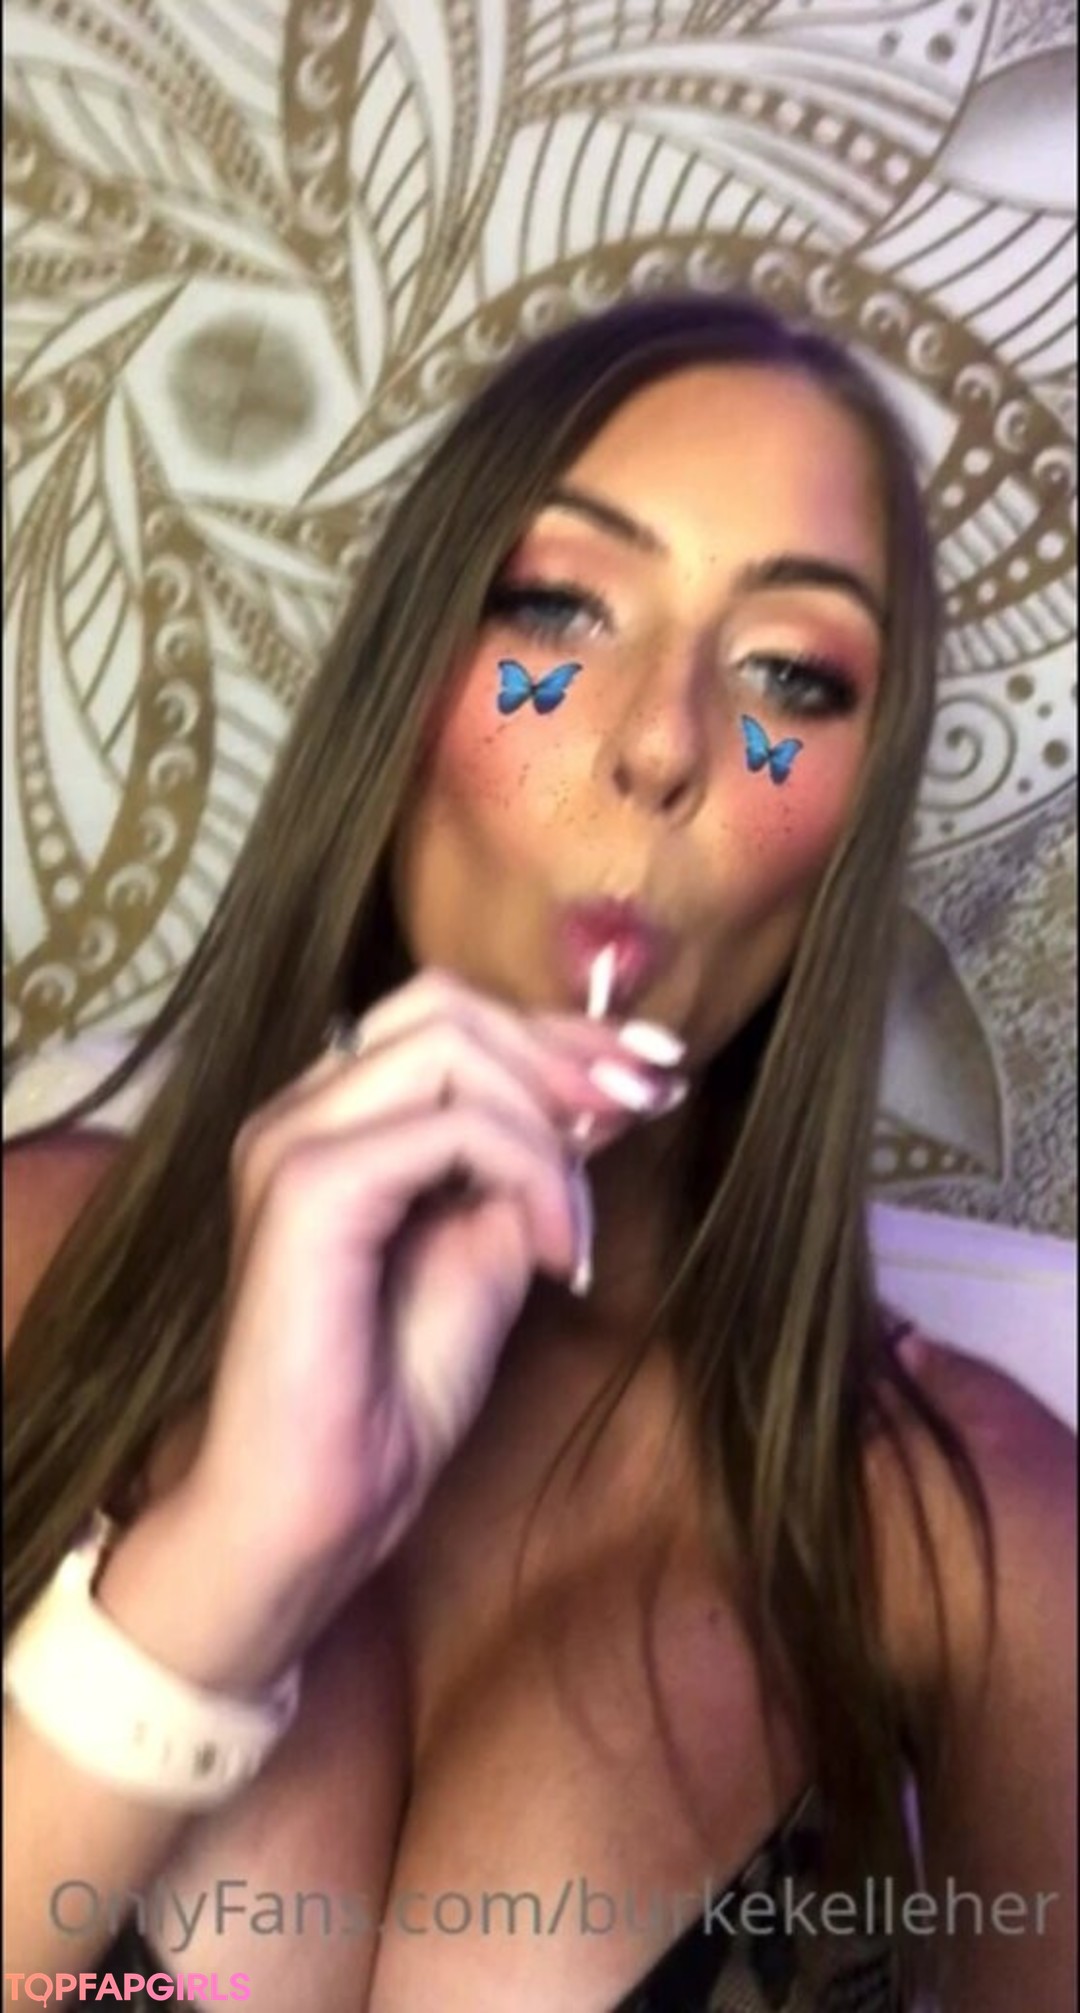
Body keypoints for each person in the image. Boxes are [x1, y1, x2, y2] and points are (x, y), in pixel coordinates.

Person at [3, 291, 1075, 2013]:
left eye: (794, 676)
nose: (661, 742)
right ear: (409, 680)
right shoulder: (27, 1272)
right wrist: (218, 1581)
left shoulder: (980, 1543)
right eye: (559, 607)